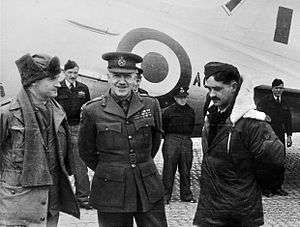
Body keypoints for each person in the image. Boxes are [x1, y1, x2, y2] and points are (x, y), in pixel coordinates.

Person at [78, 51, 167, 227]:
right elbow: (86, 151)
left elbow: (155, 142)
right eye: (116, 75)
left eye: (127, 76)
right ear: (108, 77)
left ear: (136, 78)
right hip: (111, 188)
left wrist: (142, 162)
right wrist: (111, 168)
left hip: (147, 185)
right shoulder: (93, 110)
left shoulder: (150, 104)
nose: (122, 81)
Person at [193, 62, 285, 227]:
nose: (211, 94)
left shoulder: (252, 123)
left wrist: (246, 186)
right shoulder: (212, 116)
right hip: (211, 210)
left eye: (218, 89)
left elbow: (274, 159)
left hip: (238, 214)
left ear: (234, 86)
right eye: (209, 89)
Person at [0, 54, 80, 226]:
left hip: (50, 206)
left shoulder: (58, 112)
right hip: (18, 209)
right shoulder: (7, 114)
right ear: (34, 82)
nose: (58, 83)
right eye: (52, 79)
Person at [55, 60, 92, 209]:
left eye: (75, 73)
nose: (73, 76)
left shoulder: (83, 88)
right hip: (61, 128)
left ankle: (83, 198)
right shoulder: (58, 88)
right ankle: (56, 198)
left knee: (79, 164)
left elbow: (88, 109)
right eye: (70, 73)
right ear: (64, 73)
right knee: (57, 162)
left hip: (77, 128)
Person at [256, 78, 292, 196]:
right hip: (268, 134)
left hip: (280, 134)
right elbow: (258, 116)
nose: (278, 90)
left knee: (279, 161)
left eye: (281, 88)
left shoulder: (285, 102)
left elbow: (288, 120)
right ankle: (265, 188)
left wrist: (289, 136)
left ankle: (277, 187)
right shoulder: (265, 101)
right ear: (272, 89)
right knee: (267, 161)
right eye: (276, 88)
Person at [161, 86, 196, 204]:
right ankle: (165, 196)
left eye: (185, 98)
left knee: (186, 169)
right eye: (180, 98)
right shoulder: (168, 111)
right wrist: (171, 138)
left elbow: (191, 126)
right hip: (171, 139)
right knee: (169, 169)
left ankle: (186, 195)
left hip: (186, 140)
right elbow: (164, 127)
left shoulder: (190, 111)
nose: (183, 100)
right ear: (175, 98)